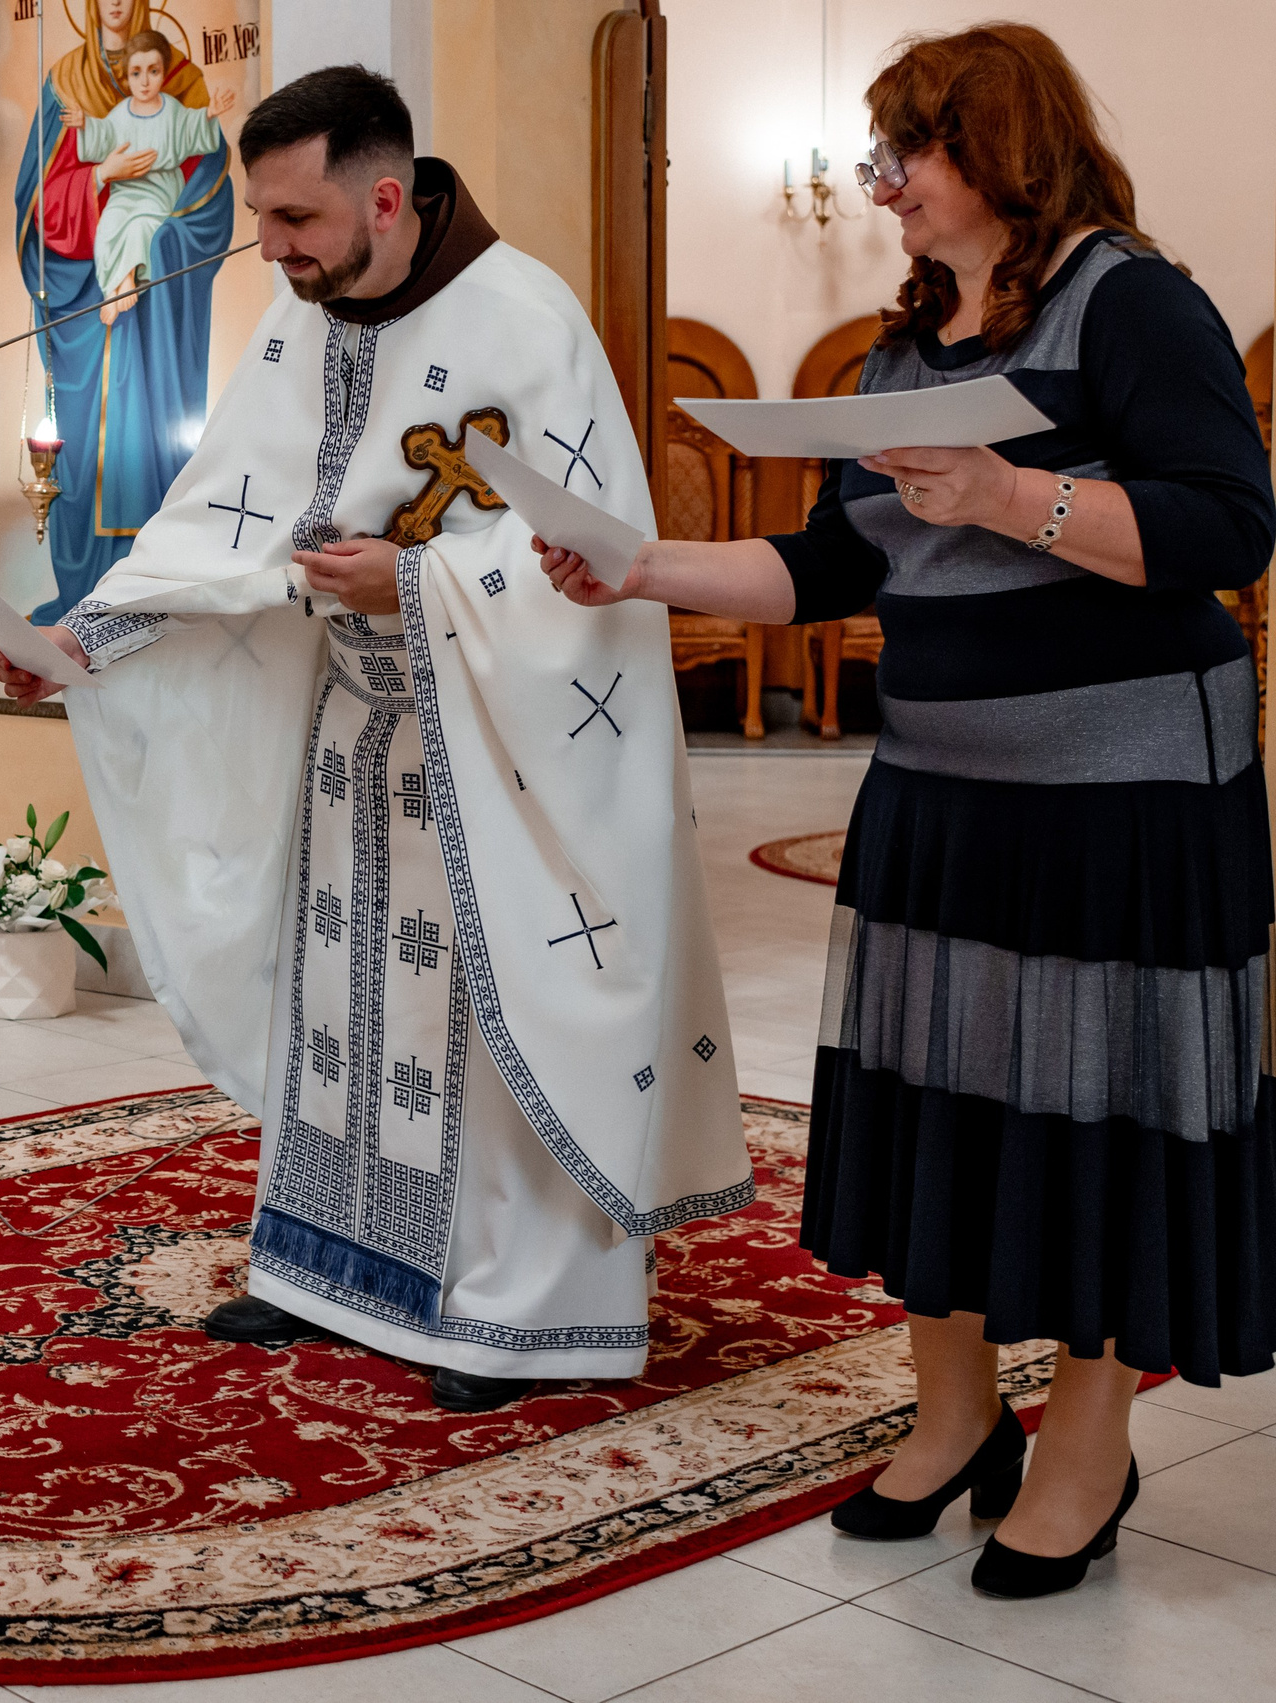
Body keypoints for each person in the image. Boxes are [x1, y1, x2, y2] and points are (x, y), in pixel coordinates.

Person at [539, 23, 1276, 1597]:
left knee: (1097, 1115)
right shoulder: (904, 340)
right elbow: (836, 564)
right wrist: (641, 562)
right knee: (937, 1102)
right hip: (943, 787)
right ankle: (952, 1415)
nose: (882, 188)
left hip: (1122, 796)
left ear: (999, 146)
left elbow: (1231, 527)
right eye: (877, 157)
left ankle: (1087, 1438)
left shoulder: (1132, 301)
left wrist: (1010, 492)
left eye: (904, 155)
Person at [0, 67, 749, 1413]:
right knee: (344, 1002)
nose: (268, 247)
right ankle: (330, 1270)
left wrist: (410, 582)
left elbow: (586, 554)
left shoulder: (528, 320)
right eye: (262, 216)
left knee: (486, 1010)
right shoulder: (307, 317)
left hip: (504, 741)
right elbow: (219, 512)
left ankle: (518, 1315)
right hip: (357, 735)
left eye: (292, 218)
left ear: (385, 197)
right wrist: (78, 644)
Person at [13, 0, 233, 624]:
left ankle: (154, 589)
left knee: (155, 439)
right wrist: (99, 174)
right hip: (83, 302)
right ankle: (83, 596)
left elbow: (210, 190)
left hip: (159, 306)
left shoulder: (181, 82)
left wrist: (161, 243)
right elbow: (36, 201)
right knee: (82, 453)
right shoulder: (65, 85)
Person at [65, 30, 236, 327]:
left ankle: (128, 278)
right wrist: (85, 125)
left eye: (153, 71)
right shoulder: (120, 114)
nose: (144, 81)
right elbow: (102, 136)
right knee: (107, 230)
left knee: (143, 227)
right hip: (124, 192)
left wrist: (209, 113)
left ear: (163, 74)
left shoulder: (172, 111)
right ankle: (112, 289)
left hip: (159, 192)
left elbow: (190, 130)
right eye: (136, 73)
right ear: (127, 77)